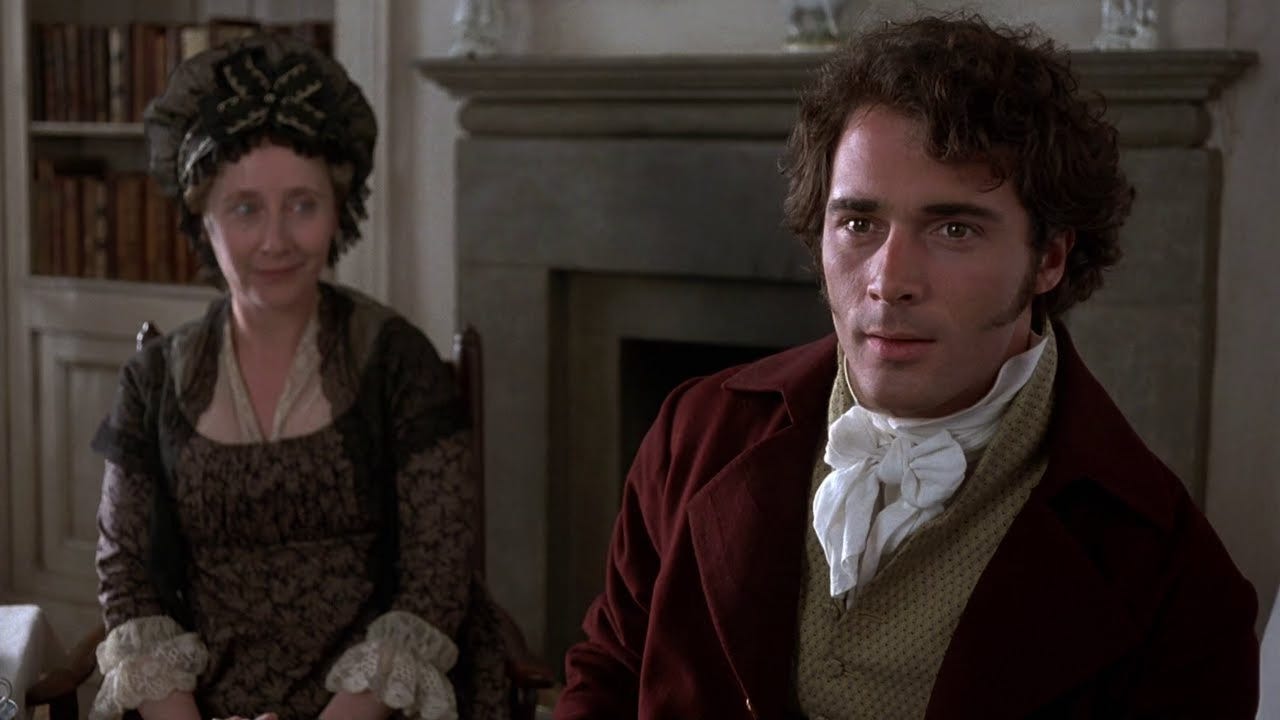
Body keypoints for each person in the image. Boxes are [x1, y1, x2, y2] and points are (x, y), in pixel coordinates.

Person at [554, 14, 1259, 720]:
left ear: (1049, 258)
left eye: (954, 229)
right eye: (859, 224)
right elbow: (610, 672)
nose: (889, 281)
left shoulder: (1173, 576)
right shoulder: (699, 429)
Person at [90, 33, 508, 720]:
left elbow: (436, 576)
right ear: (202, 219)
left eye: (303, 205)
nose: (277, 239)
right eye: (245, 208)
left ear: (338, 210)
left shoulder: (395, 361)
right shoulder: (153, 381)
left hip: (376, 707)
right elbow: (127, 577)